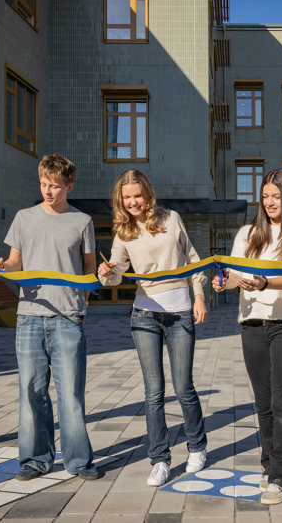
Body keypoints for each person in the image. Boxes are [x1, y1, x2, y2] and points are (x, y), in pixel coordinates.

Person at [0, 154, 99, 481]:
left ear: (69, 185)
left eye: (54, 186)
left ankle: (79, 461)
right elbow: (14, 263)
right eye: (43, 184)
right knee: (31, 392)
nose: (48, 191)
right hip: (29, 318)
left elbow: (90, 269)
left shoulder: (83, 222)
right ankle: (35, 460)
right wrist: (2, 269)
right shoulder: (24, 218)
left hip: (68, 317)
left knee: (71, 395)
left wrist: (83, 302)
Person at [211, 169, 282, 505]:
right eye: (266, 196)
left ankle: (281, 479)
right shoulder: (248, 233)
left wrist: (265, 282)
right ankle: (269, 465)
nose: (271, 202)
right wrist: (223, 282)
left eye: (277, 196)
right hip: (252, 323)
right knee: (263, 402)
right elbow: (236, 275)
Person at [98, 169, 209, 487]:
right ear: (121, 200)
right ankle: (159, 460)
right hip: (144, 314)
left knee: (184, 387)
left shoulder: (171, 218)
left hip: (179, 312)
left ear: (147, 193)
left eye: (137, 195)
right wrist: (106, 272)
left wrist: (199, 296)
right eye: (126, 197)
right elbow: (117, 275)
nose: (132, 202)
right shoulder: (123, 230)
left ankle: (197, 448)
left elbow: (192, 259)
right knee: (153, 393)